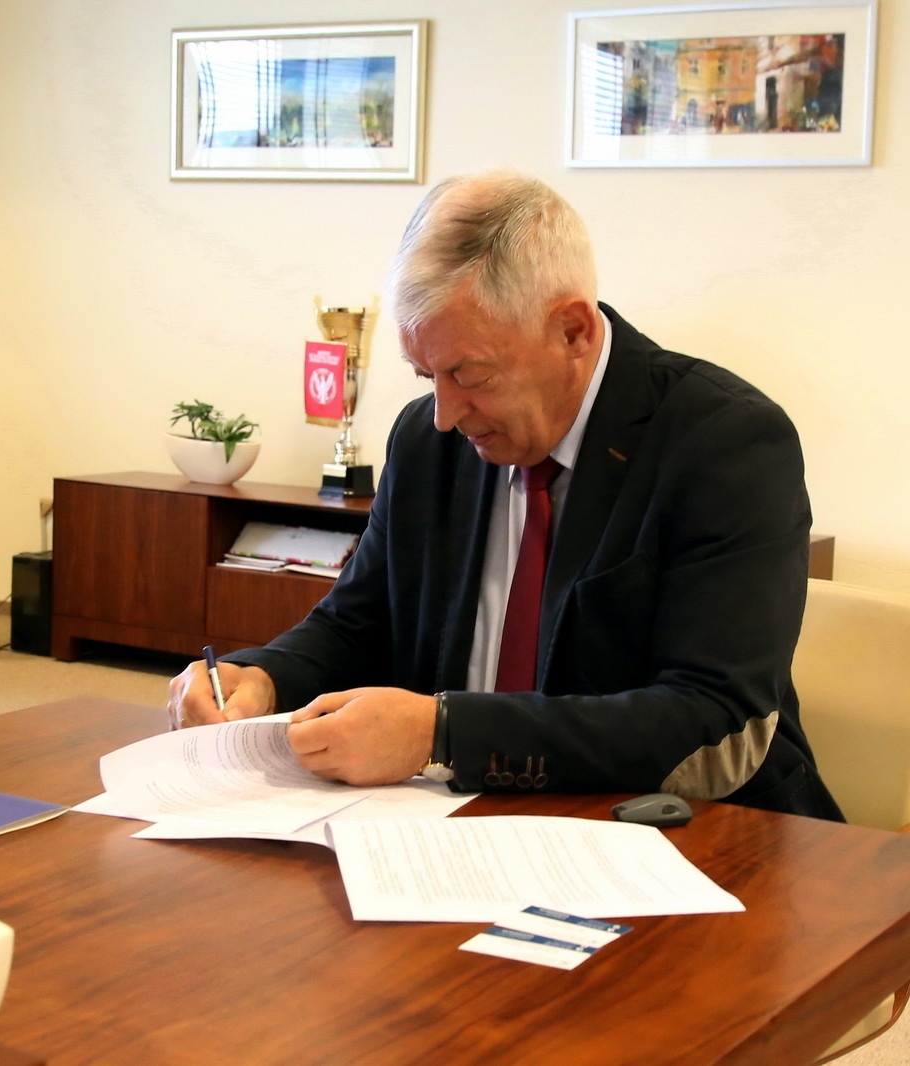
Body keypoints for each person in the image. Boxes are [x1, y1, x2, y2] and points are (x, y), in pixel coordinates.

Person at [169, 170, 840, 820]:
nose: (444, 413)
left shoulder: (725, 442)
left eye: (470, 375)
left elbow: (714, 723)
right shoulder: (427, 441)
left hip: (694, 831)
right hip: (449, 823)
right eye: (426, 375)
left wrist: (442, 735)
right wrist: (263, 677)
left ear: (573, 331)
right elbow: (358, 624)